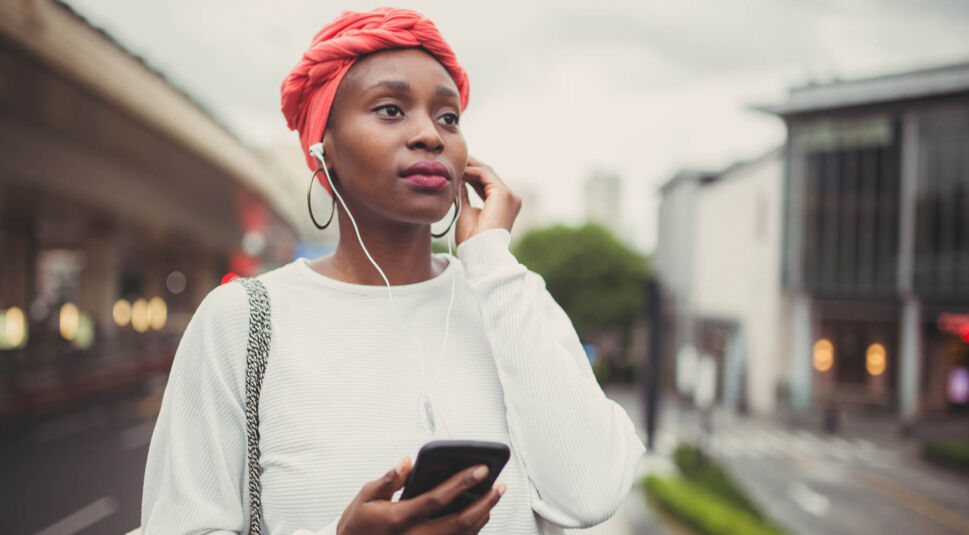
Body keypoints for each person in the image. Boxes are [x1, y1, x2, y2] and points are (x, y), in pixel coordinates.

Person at [141, 7, 645, 535]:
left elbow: (590, 495)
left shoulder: (509, 298)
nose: (430, 134)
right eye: (389, 109)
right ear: (323, 150)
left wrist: (492, 261)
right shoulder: (243, 320)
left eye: (448, 117)